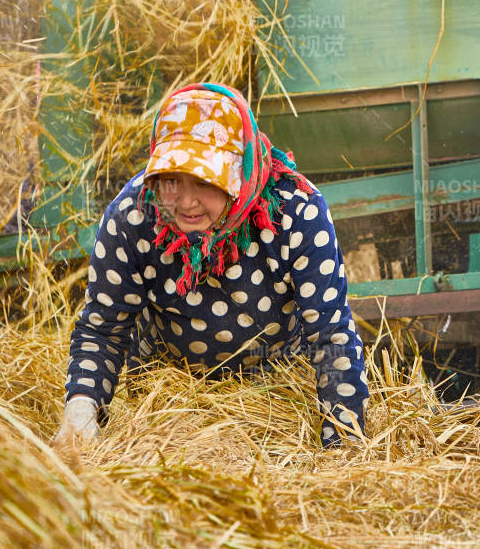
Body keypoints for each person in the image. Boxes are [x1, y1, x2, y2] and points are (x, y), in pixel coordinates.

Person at [54, 82, 368, 449]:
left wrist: (342, 446)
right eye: (171, 180)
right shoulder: (133, 215)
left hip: (277, 392)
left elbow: (331, 336)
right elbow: (103, 331)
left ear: (239, 173)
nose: (186, 201)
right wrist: (81, 412)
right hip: (167, 399)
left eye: (204, 181)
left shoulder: (295, 211)